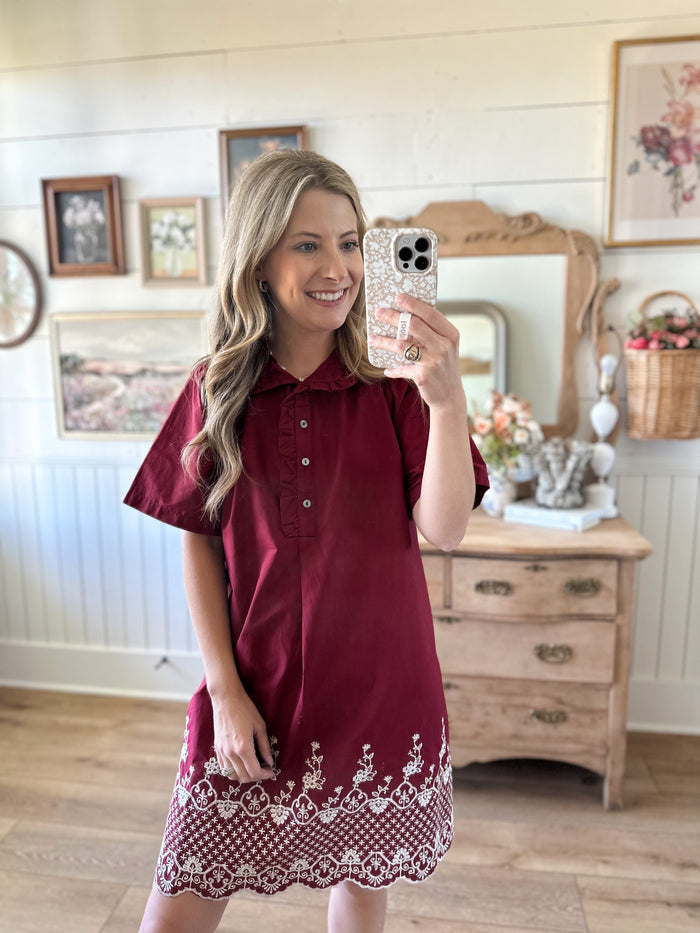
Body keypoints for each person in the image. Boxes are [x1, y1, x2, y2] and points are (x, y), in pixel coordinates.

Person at [124, 149, 488, 933]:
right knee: (184, 892)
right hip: (253, 686)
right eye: (308, 243)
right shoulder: (215, 387)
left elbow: (446, 528)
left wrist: (449, 401)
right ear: (258, 258)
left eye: (352, 242)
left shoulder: (399, 384)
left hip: (381, 686)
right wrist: (223, 690)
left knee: (359, 883)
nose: (339, 267)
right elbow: (196, 536)